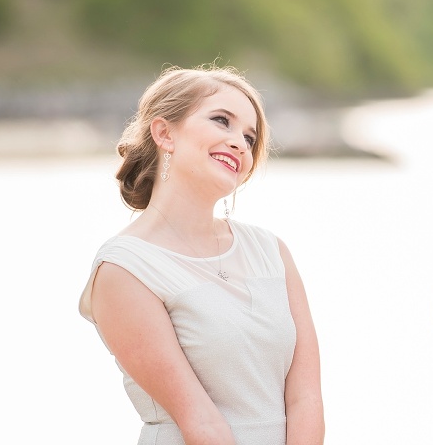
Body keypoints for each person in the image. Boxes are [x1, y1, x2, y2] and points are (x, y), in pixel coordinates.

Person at [78, 64, 325, 445]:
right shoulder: (124, 268)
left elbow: (306, 398)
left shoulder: (271, 251)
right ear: (165, 133)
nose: (240, 143)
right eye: (221, 121)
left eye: (249, 137)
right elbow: (200, 423)